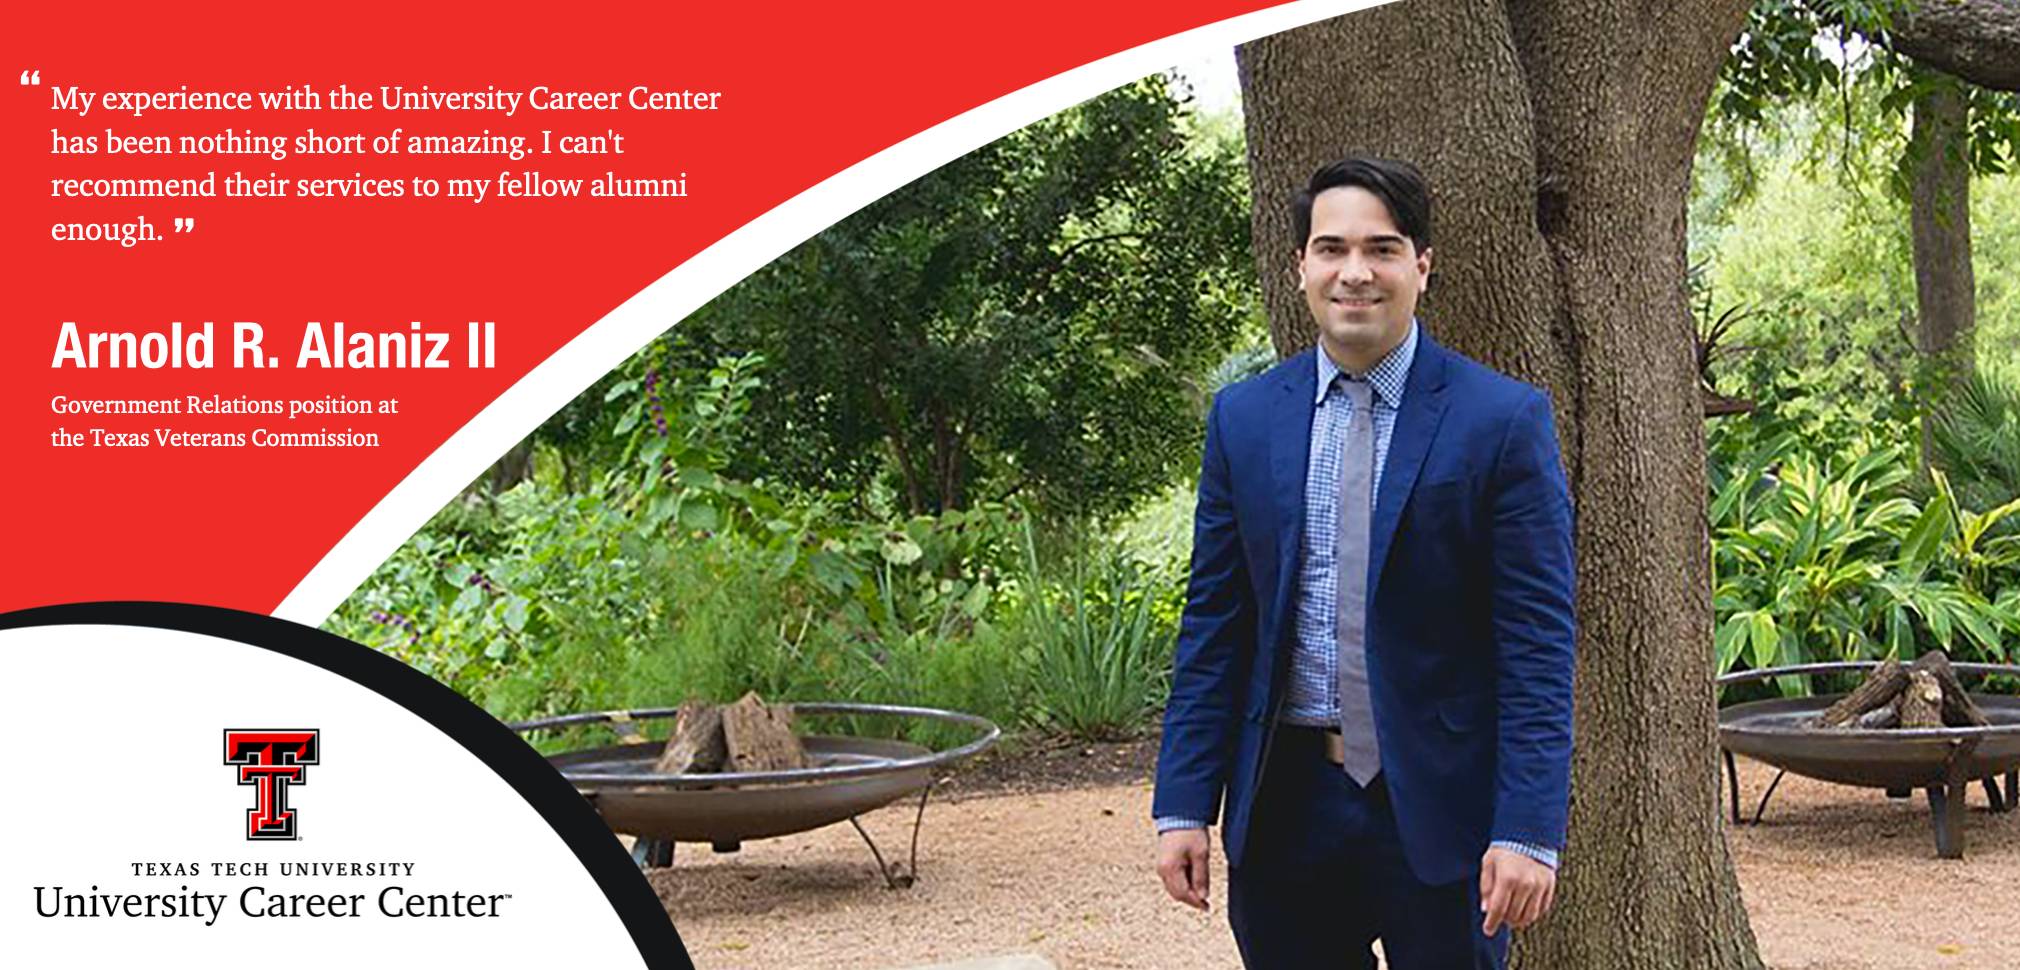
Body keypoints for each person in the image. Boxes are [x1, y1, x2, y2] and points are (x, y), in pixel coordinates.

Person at [1151, 157, 1577, 969]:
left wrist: (1528, 829)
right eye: (1331, 248)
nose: (1355, 272)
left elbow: (1537, 645)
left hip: (1443, 813)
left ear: (1421, 264)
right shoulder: (1244, 420)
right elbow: (1215, 625)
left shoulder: (1502, 420)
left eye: (1382, 248)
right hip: (1284, 809)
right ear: (1300, 268)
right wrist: (1181, 804)